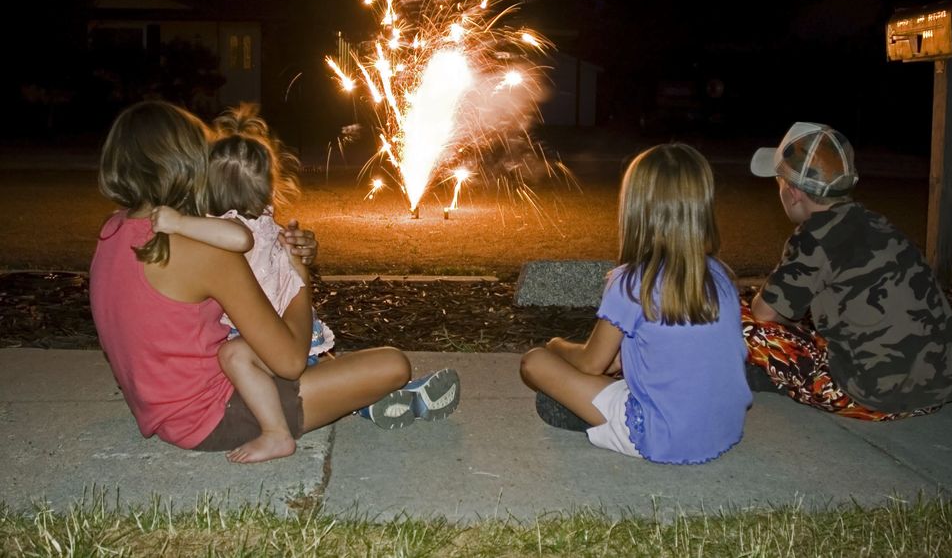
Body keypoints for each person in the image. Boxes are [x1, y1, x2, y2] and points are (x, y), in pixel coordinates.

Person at [90, 100, 459, 465]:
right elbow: (288, 361)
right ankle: (346, 403)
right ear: (188, 164)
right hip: (218, 415)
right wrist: (298, 277)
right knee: (391, 365)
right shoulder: (201, 252)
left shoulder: (113, 232)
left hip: (163, 407)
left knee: (325, 364)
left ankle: (355, 400)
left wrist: (276, 254)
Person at [519, 143, 751, 464]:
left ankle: (597, 423)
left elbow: (591, 364)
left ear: (635, 209)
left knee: (535, 362)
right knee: (615, 365)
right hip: (723, 429)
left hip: (661, 436)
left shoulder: (631, 282)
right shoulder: (722, 277)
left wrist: (557, 346)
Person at [744, 121, 952, 420]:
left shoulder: (814, 236)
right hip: (938, 389)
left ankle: (768, 377)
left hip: (876, 397)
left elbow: (766, 314)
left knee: (745, 322)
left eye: (778, 183)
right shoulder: (878, 223)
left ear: (793, 191)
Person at [149, 104, 338, 463]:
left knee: (232, 356)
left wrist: (177, 223)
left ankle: (276, 433)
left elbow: (238, 238)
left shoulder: (230, 227)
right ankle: (351, 395)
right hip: (286, 333)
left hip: (271, 339)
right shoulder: (265, 222)